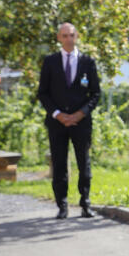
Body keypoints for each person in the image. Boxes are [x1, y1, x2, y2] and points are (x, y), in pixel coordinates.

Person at [36, 22, 101, 219]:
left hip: (81, 123)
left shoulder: (87, 62)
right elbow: (43, 93)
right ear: (59, 38)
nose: (68, 39)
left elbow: (96, 94)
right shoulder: (50, 62)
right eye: (64, 35)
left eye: (71, 35)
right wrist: (58, 114)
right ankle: (62, 205)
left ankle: (85, 203)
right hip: (57, 123)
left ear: (77, 36)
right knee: (59, 163)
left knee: (84, 163)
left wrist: (80, 113)